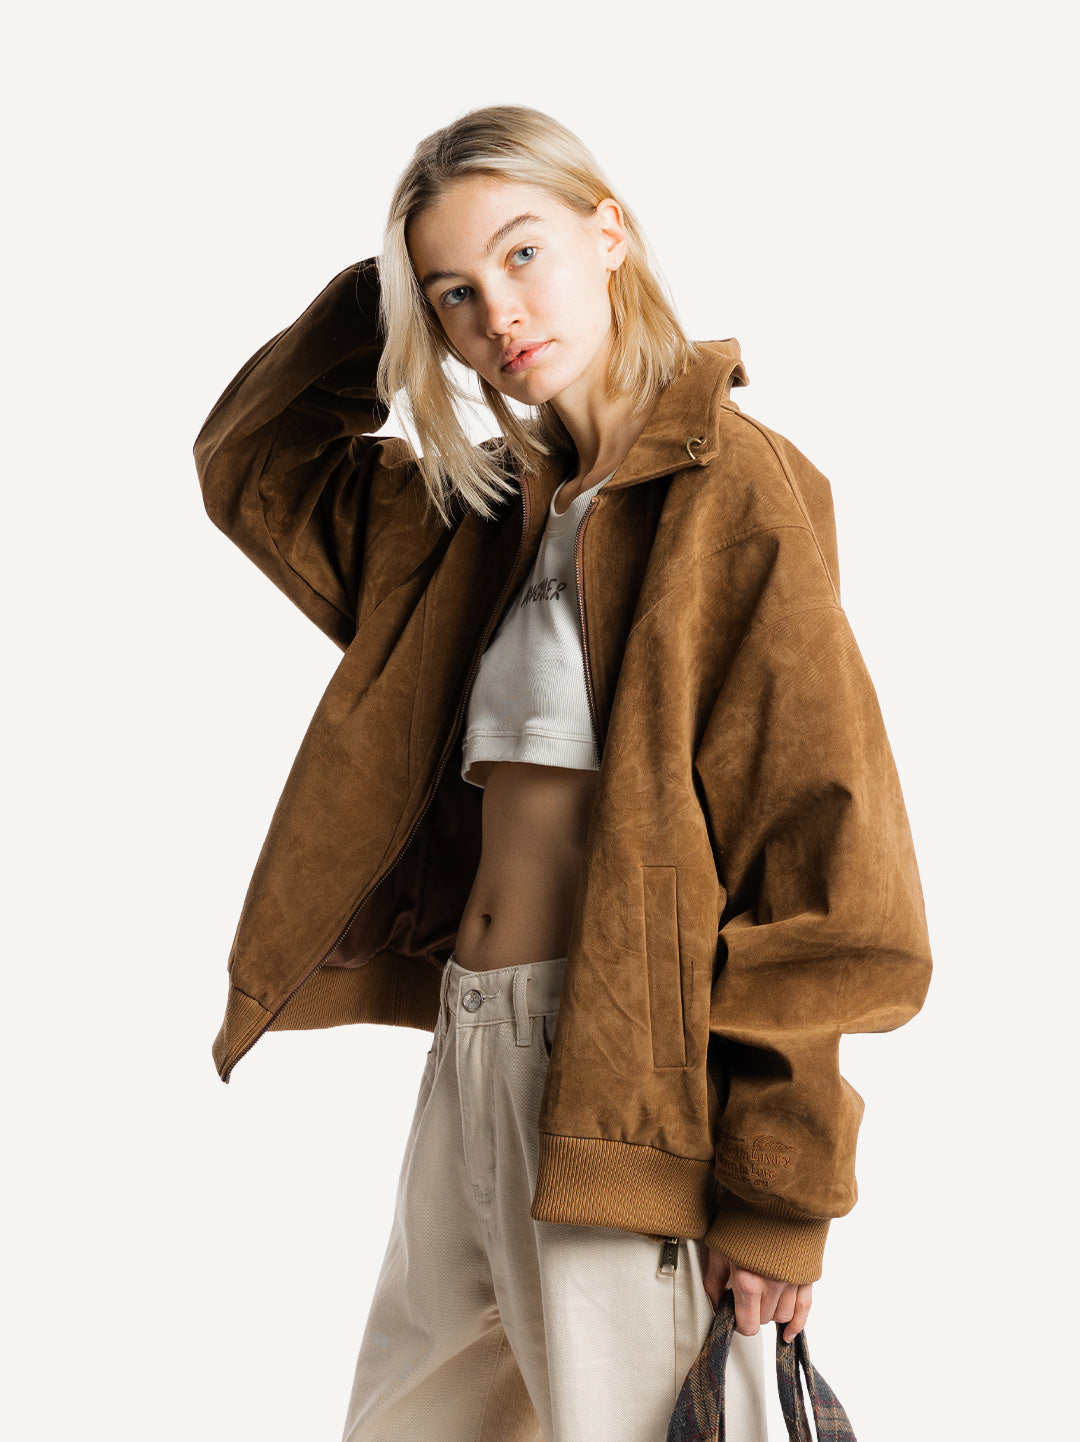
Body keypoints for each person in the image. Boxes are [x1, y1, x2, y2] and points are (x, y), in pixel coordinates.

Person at [193, 105, 933, 1442]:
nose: (500, 315)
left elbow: (821, 852)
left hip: (618, 1084)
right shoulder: (475, 513)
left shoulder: (734, 493)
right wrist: (387, 290)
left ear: (611, 235)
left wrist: (782, 1196)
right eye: (456, 294)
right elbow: (251, 466)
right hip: (470, 1045)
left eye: (524, 253)